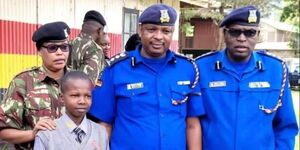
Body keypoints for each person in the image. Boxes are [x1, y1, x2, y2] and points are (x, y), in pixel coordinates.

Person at [88, 3, 204, 150]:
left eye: (166, 31)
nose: (158, 37)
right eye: (151, 29)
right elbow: (104, 124)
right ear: (140, 30)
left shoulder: (187, 69)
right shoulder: (116, 69)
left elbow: (192, 124)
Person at [195, 5, 298, 150]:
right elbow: (192, 122)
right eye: (235, 32)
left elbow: (285, 127)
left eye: (250, 33)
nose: (242, 38)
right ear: (224, 34)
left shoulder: (276, 70)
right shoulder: (201, 67)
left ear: (258, 35)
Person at [0, 21, 70, 150]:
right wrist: (33, 134)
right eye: (52, 48)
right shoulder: (23, 82)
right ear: (39, 50)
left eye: (65, 47)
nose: (60, 53)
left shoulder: (78, 81)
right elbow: (3, 131)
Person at [33, 71, 109, 150]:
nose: (82, 101)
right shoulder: (47, 134)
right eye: (75, 95)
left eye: (87, 96)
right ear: (62, 97)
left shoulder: (101, 133)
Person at [68, 10, 106, 84]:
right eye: (103, 32)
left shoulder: (67, 45)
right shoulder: (95, 49)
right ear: (99, 30)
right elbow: (87, 83)